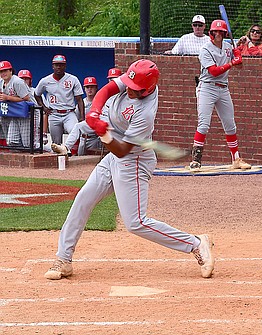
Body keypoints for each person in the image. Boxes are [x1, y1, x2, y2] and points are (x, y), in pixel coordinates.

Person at [44, 59, 215, 281]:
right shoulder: (136, 78)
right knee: (83, 199)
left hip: (132, 160)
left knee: (135, 223)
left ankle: (195, 243)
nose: (130, 92)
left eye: (136, 91)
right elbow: (107, 89)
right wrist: (95, 113)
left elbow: (122, 150)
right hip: (114, 157)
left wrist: (103, 134)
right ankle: (64, 259)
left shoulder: (145, 113)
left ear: (148, 89)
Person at [189, 19, 251, 170]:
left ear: (224, 34)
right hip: (207, 88)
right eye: (215, 32)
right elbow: (214, 71)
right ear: (211, 33)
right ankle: (196, 160)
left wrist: (238, 56)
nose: (218, 34)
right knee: (203, 124)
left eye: (221, 32)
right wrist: (232, 63)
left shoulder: (228, 46)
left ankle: (236, 159)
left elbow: (240, 66)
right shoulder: (205, 49)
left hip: (223, 88)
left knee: (230, 124)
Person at [34, 55, 85, 146]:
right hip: (54, 114)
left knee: (75, 132)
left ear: (65, 66)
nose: (58, 67)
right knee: (56, 143)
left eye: (61, 65)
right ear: (52, 66)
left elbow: (79, 99)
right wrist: (44, 107)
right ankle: (60, 158)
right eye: (56, 65)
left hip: (69, 113)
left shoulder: (73, 79)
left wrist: (82, 117)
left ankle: (71, 153)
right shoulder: (45, 81)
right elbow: (36, 94)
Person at [51, 76, 102, 156]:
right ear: (84, 89)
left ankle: (65, 147)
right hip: (83, 138)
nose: (89, 89)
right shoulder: (81, 104)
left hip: (95, 138)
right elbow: (77, 122)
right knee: (80, 160)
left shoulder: (101, 101)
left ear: (96, 88)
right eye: (87, 87)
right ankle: (66, 148)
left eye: (92, 87)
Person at [0, 61, 32, 148]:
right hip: (15, 112)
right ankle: (21, 157)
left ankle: (51, 150)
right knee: (11, 141)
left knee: (29, 144)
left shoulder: (17, 81)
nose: (3, 73)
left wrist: (8, 98)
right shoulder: (1, 82)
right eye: (1, 71)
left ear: (11, 71)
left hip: (29, 112)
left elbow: (26, 98)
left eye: (5, 71)